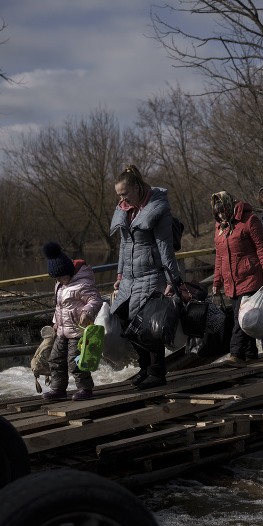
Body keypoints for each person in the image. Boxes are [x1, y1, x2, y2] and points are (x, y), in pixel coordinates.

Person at [110, 164, 187, 391]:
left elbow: (166, 248)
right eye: (119, 195)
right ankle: (145, 367)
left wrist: (172, 281)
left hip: (152, 275)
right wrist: (119, 274)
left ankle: (157, 372)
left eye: (125, 193)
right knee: (124, 319)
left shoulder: (158, 208)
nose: (122, 199)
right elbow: (124, 244)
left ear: (137, 187)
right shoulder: (125, 209)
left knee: (150, 325)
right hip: (129, 279)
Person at [211, 191, 263, 365]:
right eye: (219, 213)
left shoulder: (249, 220)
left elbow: (262, 248)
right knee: (243, 318)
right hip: (231, 281)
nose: (222, 215)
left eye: (224, 211)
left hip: (250, 277)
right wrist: (217, 281)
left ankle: (236, 353)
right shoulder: (220, 228)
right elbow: (219, 257)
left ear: (230, 206)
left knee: (242, 319)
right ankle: (250, 354)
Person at [41, 242, 103, 401]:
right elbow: (59, 306)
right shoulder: (59, 285)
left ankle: (85, 389)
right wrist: (55, 321)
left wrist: (87, 312)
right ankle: (58, 389)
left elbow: (95, 299)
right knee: (55, 359)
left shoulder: (82, 283)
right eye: (57, 278)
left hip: (78, 331)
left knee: (76, 361)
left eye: (62, 277)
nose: (60, 280)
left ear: (68, 271)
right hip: (62, 330)